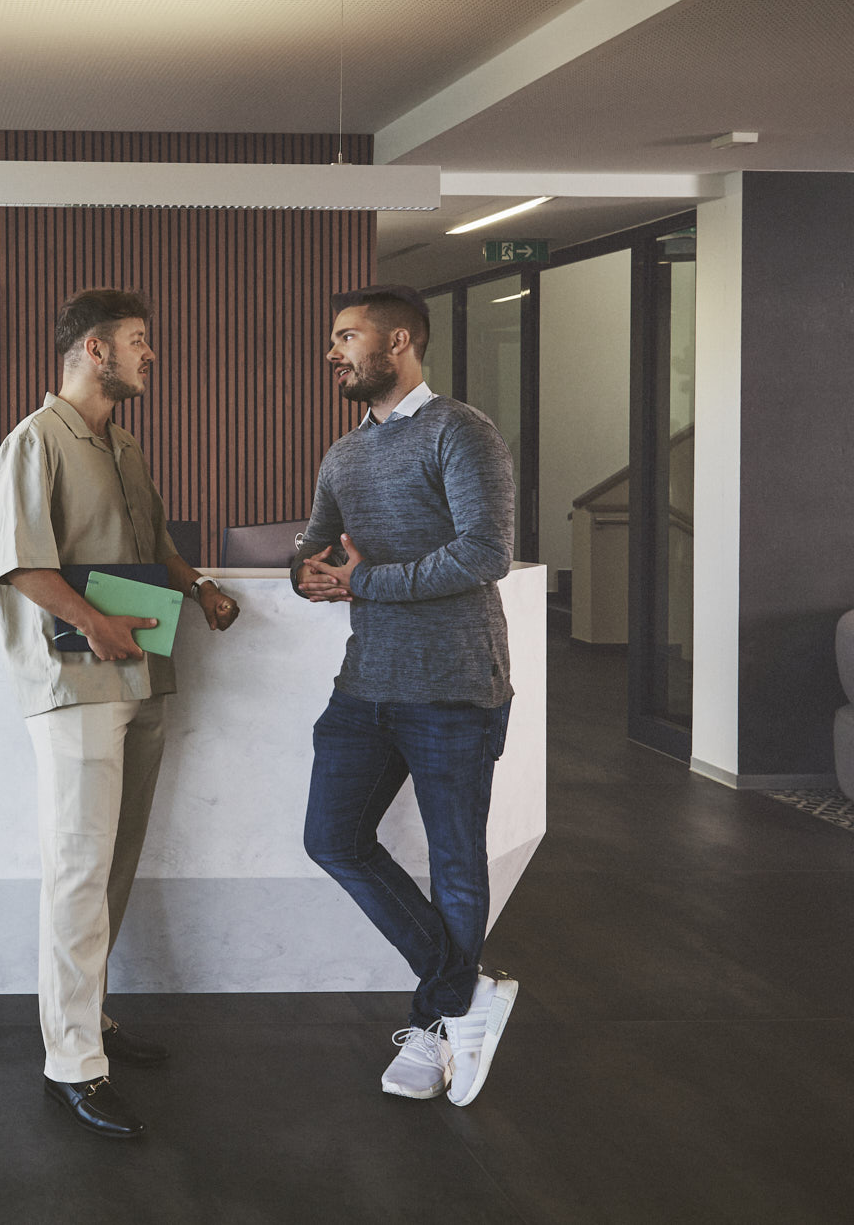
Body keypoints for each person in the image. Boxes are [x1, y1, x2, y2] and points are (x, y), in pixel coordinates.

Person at [0, 287, 240, 1139]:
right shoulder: (34, 441)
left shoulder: (124, 444)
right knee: (77, 867)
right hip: (77, 684)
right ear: (94, 350)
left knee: (115, 862)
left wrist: (199, 587)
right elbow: (21, 563)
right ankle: (71, 1061)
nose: (149, 353)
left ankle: (90, 1016)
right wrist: (95, 624)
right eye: (137, 340)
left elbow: (154, 543)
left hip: (143, 676)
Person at [291, 283, 519, 1107]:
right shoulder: (344, 454)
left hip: (454, 685)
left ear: (399, 342)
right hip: (367, 684)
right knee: (333, 837)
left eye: (347, 335)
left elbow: (486, 552)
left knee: (456, 861)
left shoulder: (461, 430)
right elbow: (313, 548)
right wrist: (307, 573)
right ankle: (464, 991)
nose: (333, 351)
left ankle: (436, 1026)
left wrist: (366, 581)